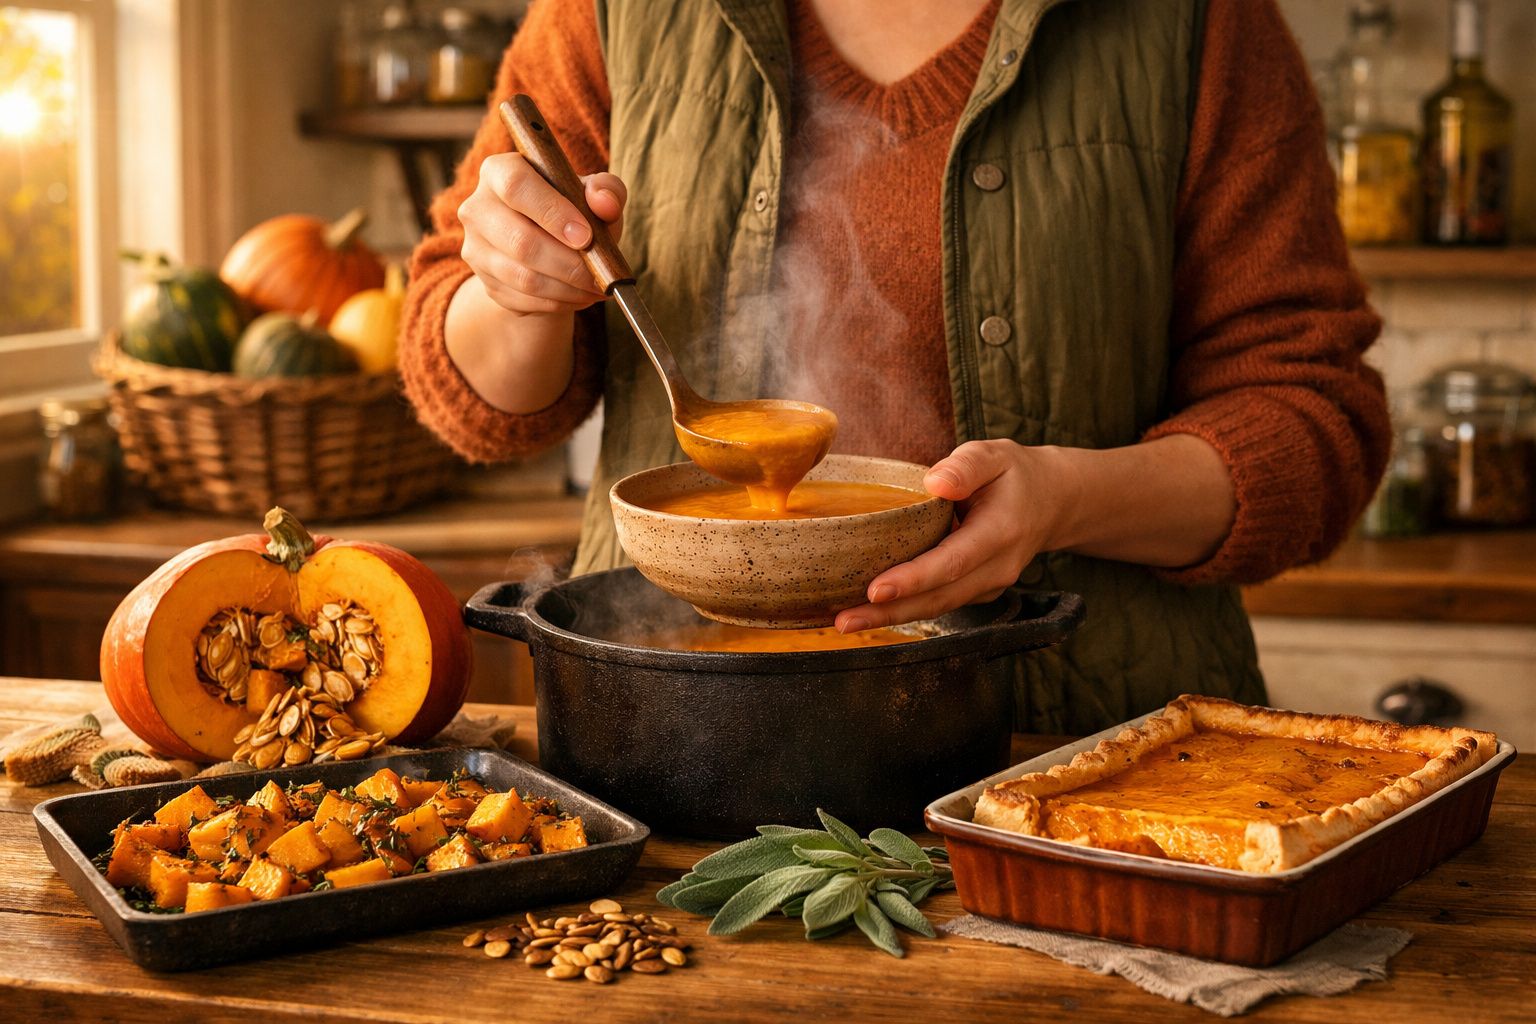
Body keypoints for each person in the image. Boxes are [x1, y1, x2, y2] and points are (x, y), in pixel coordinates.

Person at [400, 0, 1391, 735]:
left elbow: (1312, 420)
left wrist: (1069, 499)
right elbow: (485, 400)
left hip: (1088, 749)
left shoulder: (1198, 20)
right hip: (668, 738)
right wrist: (518, 291)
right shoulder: (618, 10)